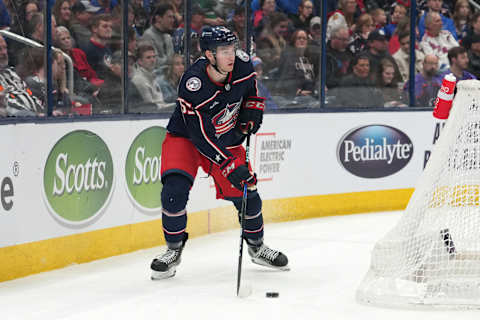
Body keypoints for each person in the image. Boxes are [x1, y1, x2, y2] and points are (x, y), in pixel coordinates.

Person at [150, 26, 289, 280]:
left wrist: (253, 110)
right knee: (173, 191)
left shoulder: (243, 65)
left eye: (232, 49)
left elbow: (252, 91)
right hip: (186, 139)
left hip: (225, 138)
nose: (231, 56)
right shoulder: (193, 84)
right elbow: (200, 136)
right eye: (224, 51)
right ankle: (173, 250)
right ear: (209, 55)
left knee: (248, 191)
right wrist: (227, 164)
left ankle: (257, 248)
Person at [0, 34, 43, 116]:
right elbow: (7, 104)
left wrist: (44, 112)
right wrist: (34, 115)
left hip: (34, 119)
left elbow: (28, 94)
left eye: (5, 48)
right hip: (16, 123)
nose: (4, 52)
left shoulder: (11, 73)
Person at [141, 3, 175, 71]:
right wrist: (170, 61)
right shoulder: (148, 35)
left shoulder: (168, 37)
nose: (172, 20)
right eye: (169, 17)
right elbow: (154, 61)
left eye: (173, 17)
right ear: (158, 18)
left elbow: (172, 58)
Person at [131, 43, 166, 109]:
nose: (153, 60)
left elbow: (161, 102)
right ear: (140, 61)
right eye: (148, 57)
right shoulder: (139, 80)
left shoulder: (152, 76)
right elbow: (151, 107)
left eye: (154, 56)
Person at [82, 13, 113, 79]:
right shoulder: (88, 50)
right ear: (94, 29)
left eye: (111, 27)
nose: (109, 29)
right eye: (105, 26)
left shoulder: (107, 48)